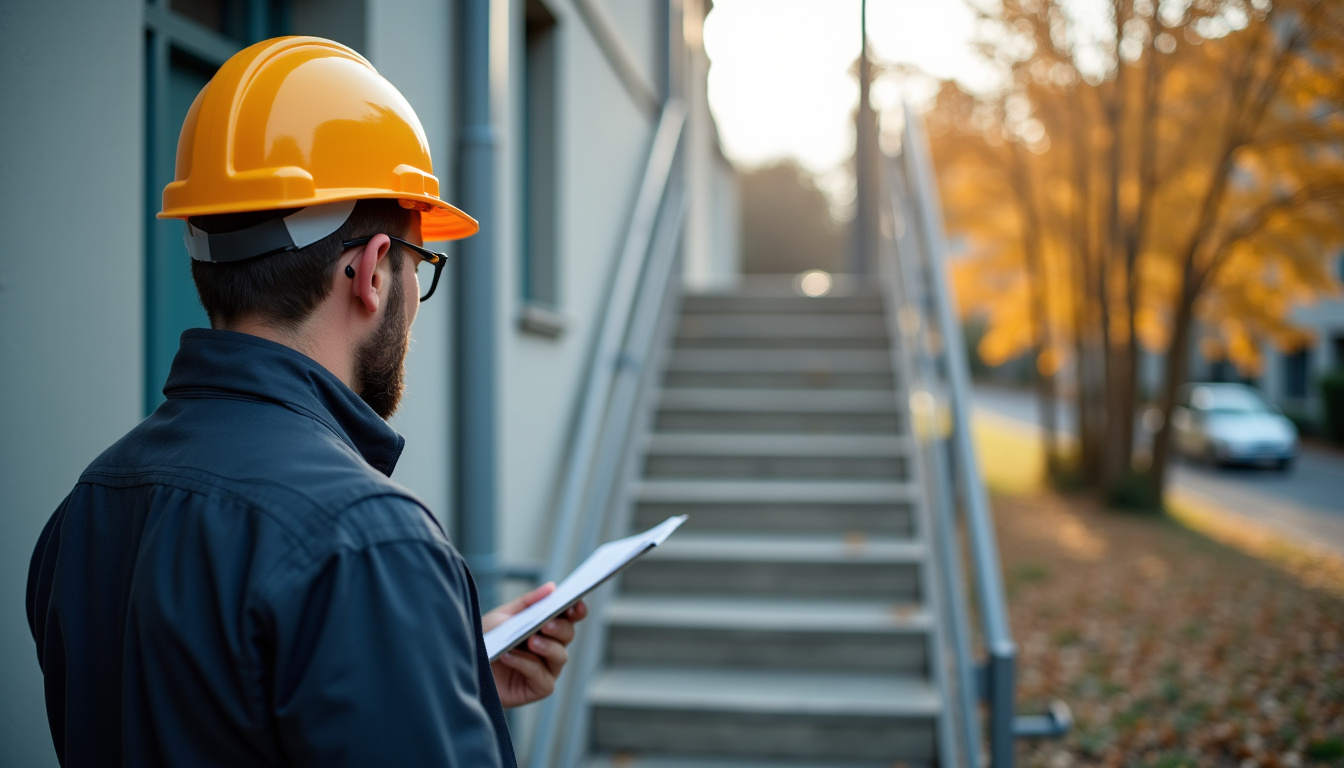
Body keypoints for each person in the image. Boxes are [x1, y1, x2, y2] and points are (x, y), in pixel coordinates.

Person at [25, 36, 583, 767]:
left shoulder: (85, 509)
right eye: (421, 266)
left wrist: (438, 667)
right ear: (373, 271)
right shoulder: (370, 542)